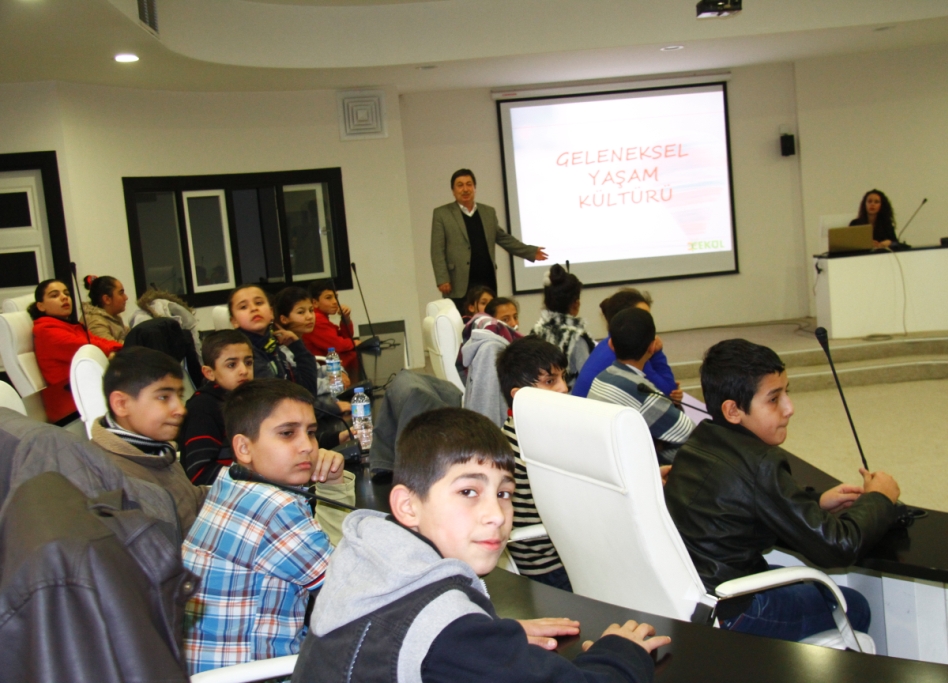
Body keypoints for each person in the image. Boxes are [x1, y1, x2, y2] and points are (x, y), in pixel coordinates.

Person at [294, 407, 668, 683]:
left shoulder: (369, 560)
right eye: (468, 491)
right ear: (408, 506)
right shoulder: (451, 635)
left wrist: (490, 636)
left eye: (504, 493)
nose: (496, 515)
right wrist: (621, 652)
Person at [663, 338, 901, 642]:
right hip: (733, 612)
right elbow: (838, 546)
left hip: (695, 595)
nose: (790, 408)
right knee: (854, 606)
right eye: (774, 399)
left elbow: (745, 506)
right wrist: (880, 497)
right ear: (733, 410)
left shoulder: (697, 442)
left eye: (787, 392)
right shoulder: (762, 462)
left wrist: (815, 502)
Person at [183, 379, 353, 674]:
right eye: (287, 433)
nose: (307, 447)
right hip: (258, 675)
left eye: (311, 432)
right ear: (243, 448)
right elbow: (350, 590)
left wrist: (332, 483)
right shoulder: (274, 508)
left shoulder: (229, 484)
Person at [91, 346, 206, 533]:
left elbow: (191, 500)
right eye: (163, 397)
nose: (180, 409)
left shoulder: (156, 450)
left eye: (179, 396)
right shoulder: (111, 479)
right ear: (121, 404)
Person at [496, 336, 573, 590]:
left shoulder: (513, 430)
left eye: (563, 378)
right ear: (519, 396)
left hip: (543, 558)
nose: (563, 388)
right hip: (551, 565)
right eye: (550, 381)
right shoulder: (535, 447)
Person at [430, 168, 548, 312]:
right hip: (458, 282)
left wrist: (530, 251)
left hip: (486, 279)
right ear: (453, 191)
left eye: (469, 184)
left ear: (475, 188)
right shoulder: (442, 214)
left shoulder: (488, 212)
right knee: (462, 322)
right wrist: (442, 278)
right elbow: (437, 250)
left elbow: (503, 238)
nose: (465, 189)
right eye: (460, 185)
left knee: (489, 320)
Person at [588, 307, 694, 463]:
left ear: (611, 344)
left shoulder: (602, 378)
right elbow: (690, 433)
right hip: (628, 465)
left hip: (606, 459)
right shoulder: (639, 391)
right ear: (652, 347)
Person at [29, 279, 124, 423]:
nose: (64, 297)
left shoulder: (69, 325)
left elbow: (99, 340)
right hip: (72, 404)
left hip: (87, 391)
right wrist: (118, 349)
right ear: (40, 306)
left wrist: (119, 348)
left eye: (66, 293)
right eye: (54, 295)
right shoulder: (45, 331)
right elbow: (89, 347)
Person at [572, 288, 680, 400]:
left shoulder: (611, 343)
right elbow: (668, 392)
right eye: (642, 317)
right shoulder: (628, 352)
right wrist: (656, 351)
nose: (648, 323)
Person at [180, 329, 254, 486]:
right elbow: (199, 473)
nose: (244, 371)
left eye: (248, 362)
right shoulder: (203, 407)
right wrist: (258, 476)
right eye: (231, 365)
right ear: (209, 373)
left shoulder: (253, 400)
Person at [531, 264, 594, 389]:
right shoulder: (576, 337)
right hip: (568, 397)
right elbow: (587, 379)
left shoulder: (536, 331)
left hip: (540, 395)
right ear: (576, 304)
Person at [300, 281, 359, 379]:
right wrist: (354, 343)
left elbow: (345, 337)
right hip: (322, 372)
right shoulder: (316, 319)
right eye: (328, 298)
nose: (335, 302)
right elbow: (338, 345)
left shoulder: (323, 317)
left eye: (336, 297)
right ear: (315, 303)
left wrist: (345, 319)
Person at [82, 274, 130, 342]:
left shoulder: (112, 316)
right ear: (107, 299)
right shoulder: (96, 323)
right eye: (121, 293)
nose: (126, 297)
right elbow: (113, 347)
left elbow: (132, 335)